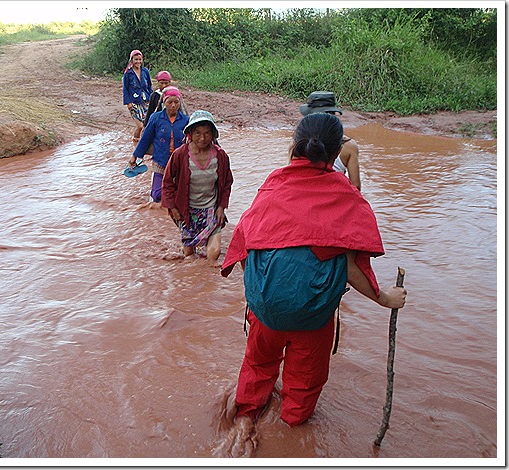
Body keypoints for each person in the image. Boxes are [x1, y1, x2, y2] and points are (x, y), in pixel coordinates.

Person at [220, 113, 407, 433]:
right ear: (337, 154)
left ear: (294, 147)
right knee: (305, 380)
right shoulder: (344, 193)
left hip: (265, 309)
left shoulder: (274, 183)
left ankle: (246, 416)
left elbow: (245, 243)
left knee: (258, 362)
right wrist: (385, 298)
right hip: (313, 315)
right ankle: (291, 428)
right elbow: (350, 267)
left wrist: (261, 295)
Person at [162, 110, 234, 262]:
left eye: (207, 133)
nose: (202, 138)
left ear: (213, 135)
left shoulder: (220, 156)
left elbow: (227, 182)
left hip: (211, 210)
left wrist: (221, 207)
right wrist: (173, 208)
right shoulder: (180, 155)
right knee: (189, 255)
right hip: (186, 211)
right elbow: (167, 183)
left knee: (214, 254)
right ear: (190, 134)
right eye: (198, 133)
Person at [130, 86, 188, 203]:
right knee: (157, 195)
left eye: (176, 102)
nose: (173, 105)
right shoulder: (156, 118)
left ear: (180, 103)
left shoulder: (185, 120)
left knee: (178, 195)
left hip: (179, 162)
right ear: (163, 102)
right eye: (169, 102)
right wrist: (135, 156)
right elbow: (145, 138)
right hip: (160, 161)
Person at [299, 91, 361, 190]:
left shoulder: (298, 143)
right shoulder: (349, 145)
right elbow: (356, 187)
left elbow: (292, 174)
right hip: (335, 196)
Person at [122, 50, 153, 144]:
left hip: (145, 101)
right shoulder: (128, 74)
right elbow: (125, 89)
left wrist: (152, 98)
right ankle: (136, 145)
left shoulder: (145, 71)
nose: (138, 62)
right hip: (134, 102)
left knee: (146, 124)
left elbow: (149, 86)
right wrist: (128, 103)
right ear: (131, 60)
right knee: (139, 126)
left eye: (140, 59)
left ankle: (144, 144)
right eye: (136, 59)